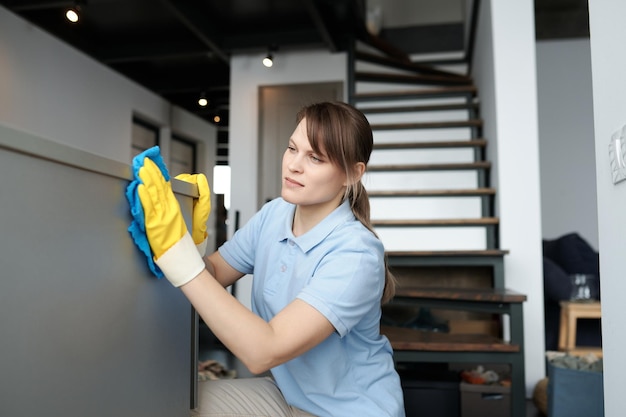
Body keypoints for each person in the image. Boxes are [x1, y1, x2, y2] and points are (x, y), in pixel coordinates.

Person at [135, 101, 405, 417]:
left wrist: (179, 256)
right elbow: (216, 272)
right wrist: (192, 245)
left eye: (315, 158)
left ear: (352, 174)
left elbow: (263, 351)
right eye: (292, 149)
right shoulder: (275, 214)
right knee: (173, 400)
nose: (294, 165)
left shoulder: (355, 254)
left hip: (350, 411)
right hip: (288, 398)